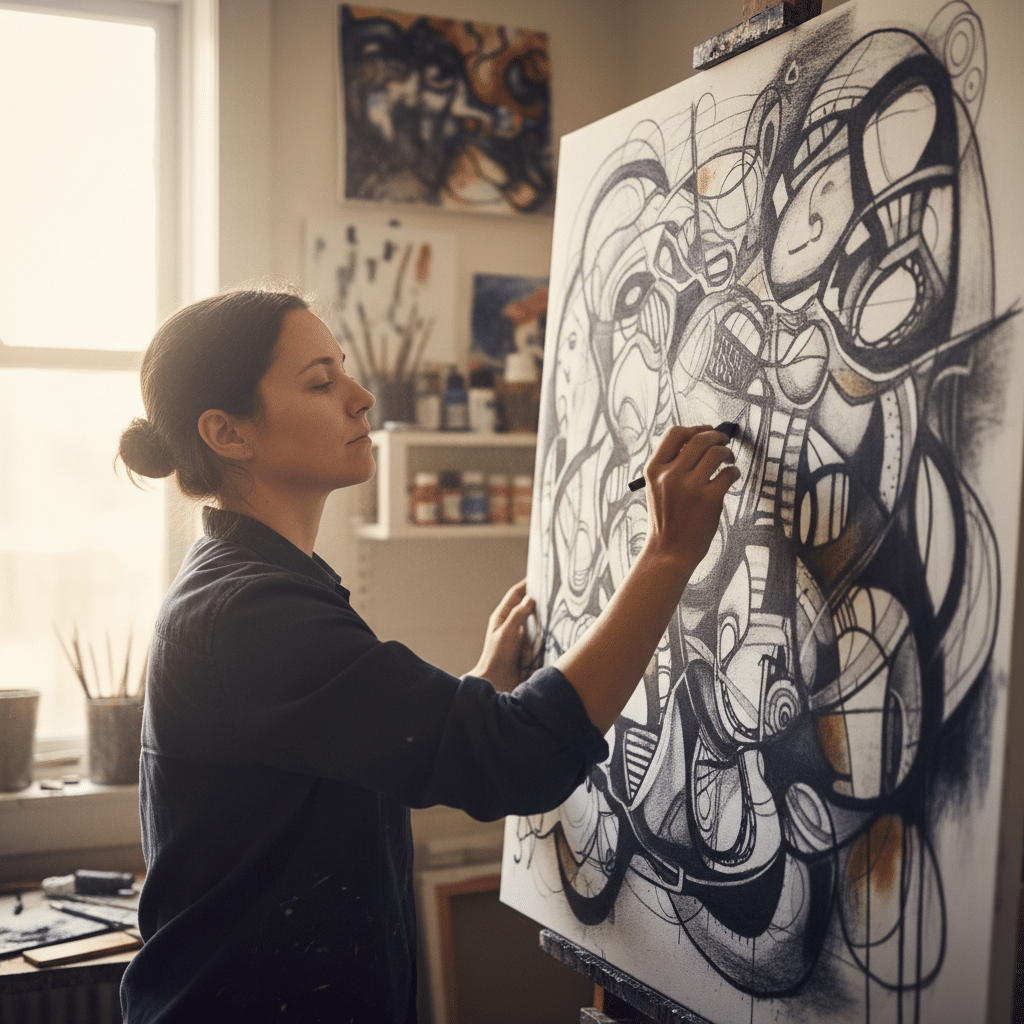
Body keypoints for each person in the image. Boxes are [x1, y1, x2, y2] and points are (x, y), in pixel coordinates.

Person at [115, 287, 739, 1023]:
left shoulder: (258, 587)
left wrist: (476, 686)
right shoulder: (248, 614)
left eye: (344, 370)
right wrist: (667, 555)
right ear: (226, 432)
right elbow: (520, 758)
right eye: (321, 382)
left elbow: (339, 763)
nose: (362, 396)